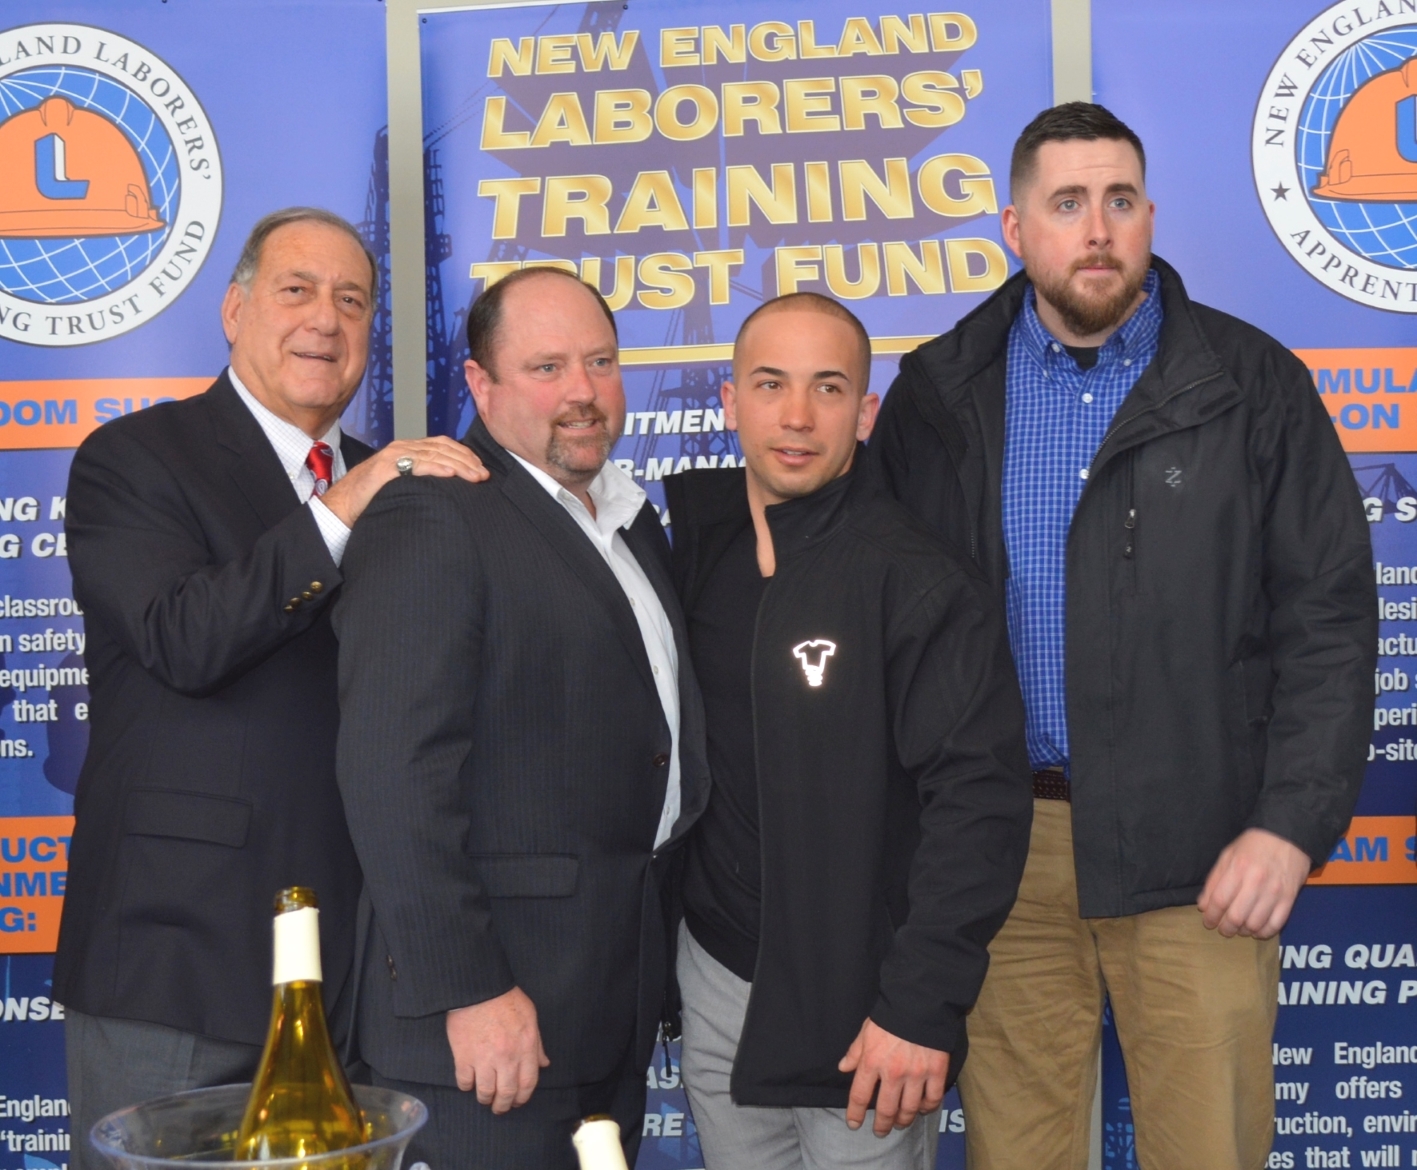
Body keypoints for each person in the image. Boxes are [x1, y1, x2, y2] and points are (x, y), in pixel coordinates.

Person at [869, 103, 1377, 1170]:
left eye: (1117, 201)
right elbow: (845, 574)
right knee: (1022, 1155)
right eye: (1065, 204)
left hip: (1200, 850)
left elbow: (1327, 621)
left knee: (1211, 1150)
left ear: (1148, 214)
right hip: (1002, 852)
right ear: (1014, 227)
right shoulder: (938, 393)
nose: (1095, 228)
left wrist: (1287, 825)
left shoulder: (1253, 387)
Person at [53, 206, 487, 1167]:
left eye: (351, 301)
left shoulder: (391, 482)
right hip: (178, 969)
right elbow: (184, 638)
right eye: (296, 291)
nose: (325, 321)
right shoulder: (133, 459)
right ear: (234, 309)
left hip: (353, 981)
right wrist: (345, 505)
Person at [332, 266, 710, 1169]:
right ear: (480, 385)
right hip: (485, 1030)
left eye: (600, 361)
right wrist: (471, 988)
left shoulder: (632, 525)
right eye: (546, 367)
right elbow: (393, 772)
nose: (581, 392)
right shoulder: (434, 515)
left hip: (601, 1014)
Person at [663, 292, 1033, 1170]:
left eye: (828, 388)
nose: (796, 416)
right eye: (769, 384)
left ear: (864, 411)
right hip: (715, 980)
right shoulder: (688, 551)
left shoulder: (916, 580)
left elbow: (977, 805)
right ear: (729, 401)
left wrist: (919, 1006)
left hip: (863, 1009)